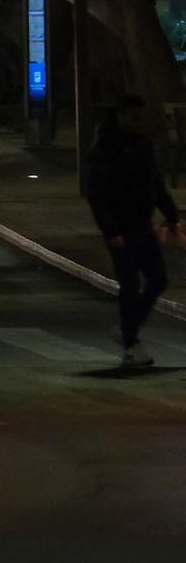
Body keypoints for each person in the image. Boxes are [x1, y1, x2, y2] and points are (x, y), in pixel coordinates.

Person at [86, 97, 180, 368]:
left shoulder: (143, 146)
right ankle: (130, 340)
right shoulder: (105, 149)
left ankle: (128, 330)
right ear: (121, 117)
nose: (139, 123)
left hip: (142, 223)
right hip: (121, 227)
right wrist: (111, 229)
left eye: (141, 117)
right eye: (134, 118)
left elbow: (155, 183)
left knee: (158, 279)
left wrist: (171, 214)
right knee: (129, 284)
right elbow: (98, 194)